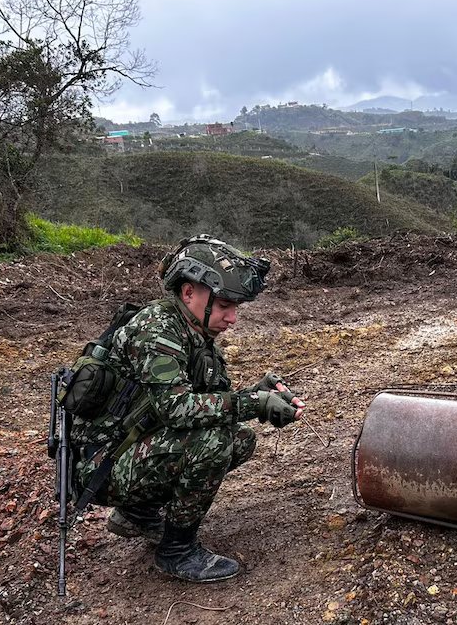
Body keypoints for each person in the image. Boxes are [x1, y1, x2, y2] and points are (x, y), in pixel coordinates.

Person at [72, 234, 304, 582]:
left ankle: (137, 512)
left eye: (235, 307)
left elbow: (212, 403)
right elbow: (179, 409)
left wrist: (260, 394)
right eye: (225, 304)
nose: (232, 318)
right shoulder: (157, 330)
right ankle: (176, 550)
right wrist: (254, 403)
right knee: (213, 443)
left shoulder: (194, 332)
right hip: (100, 468)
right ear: (189, 292)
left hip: (129, 450)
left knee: (238, 438)